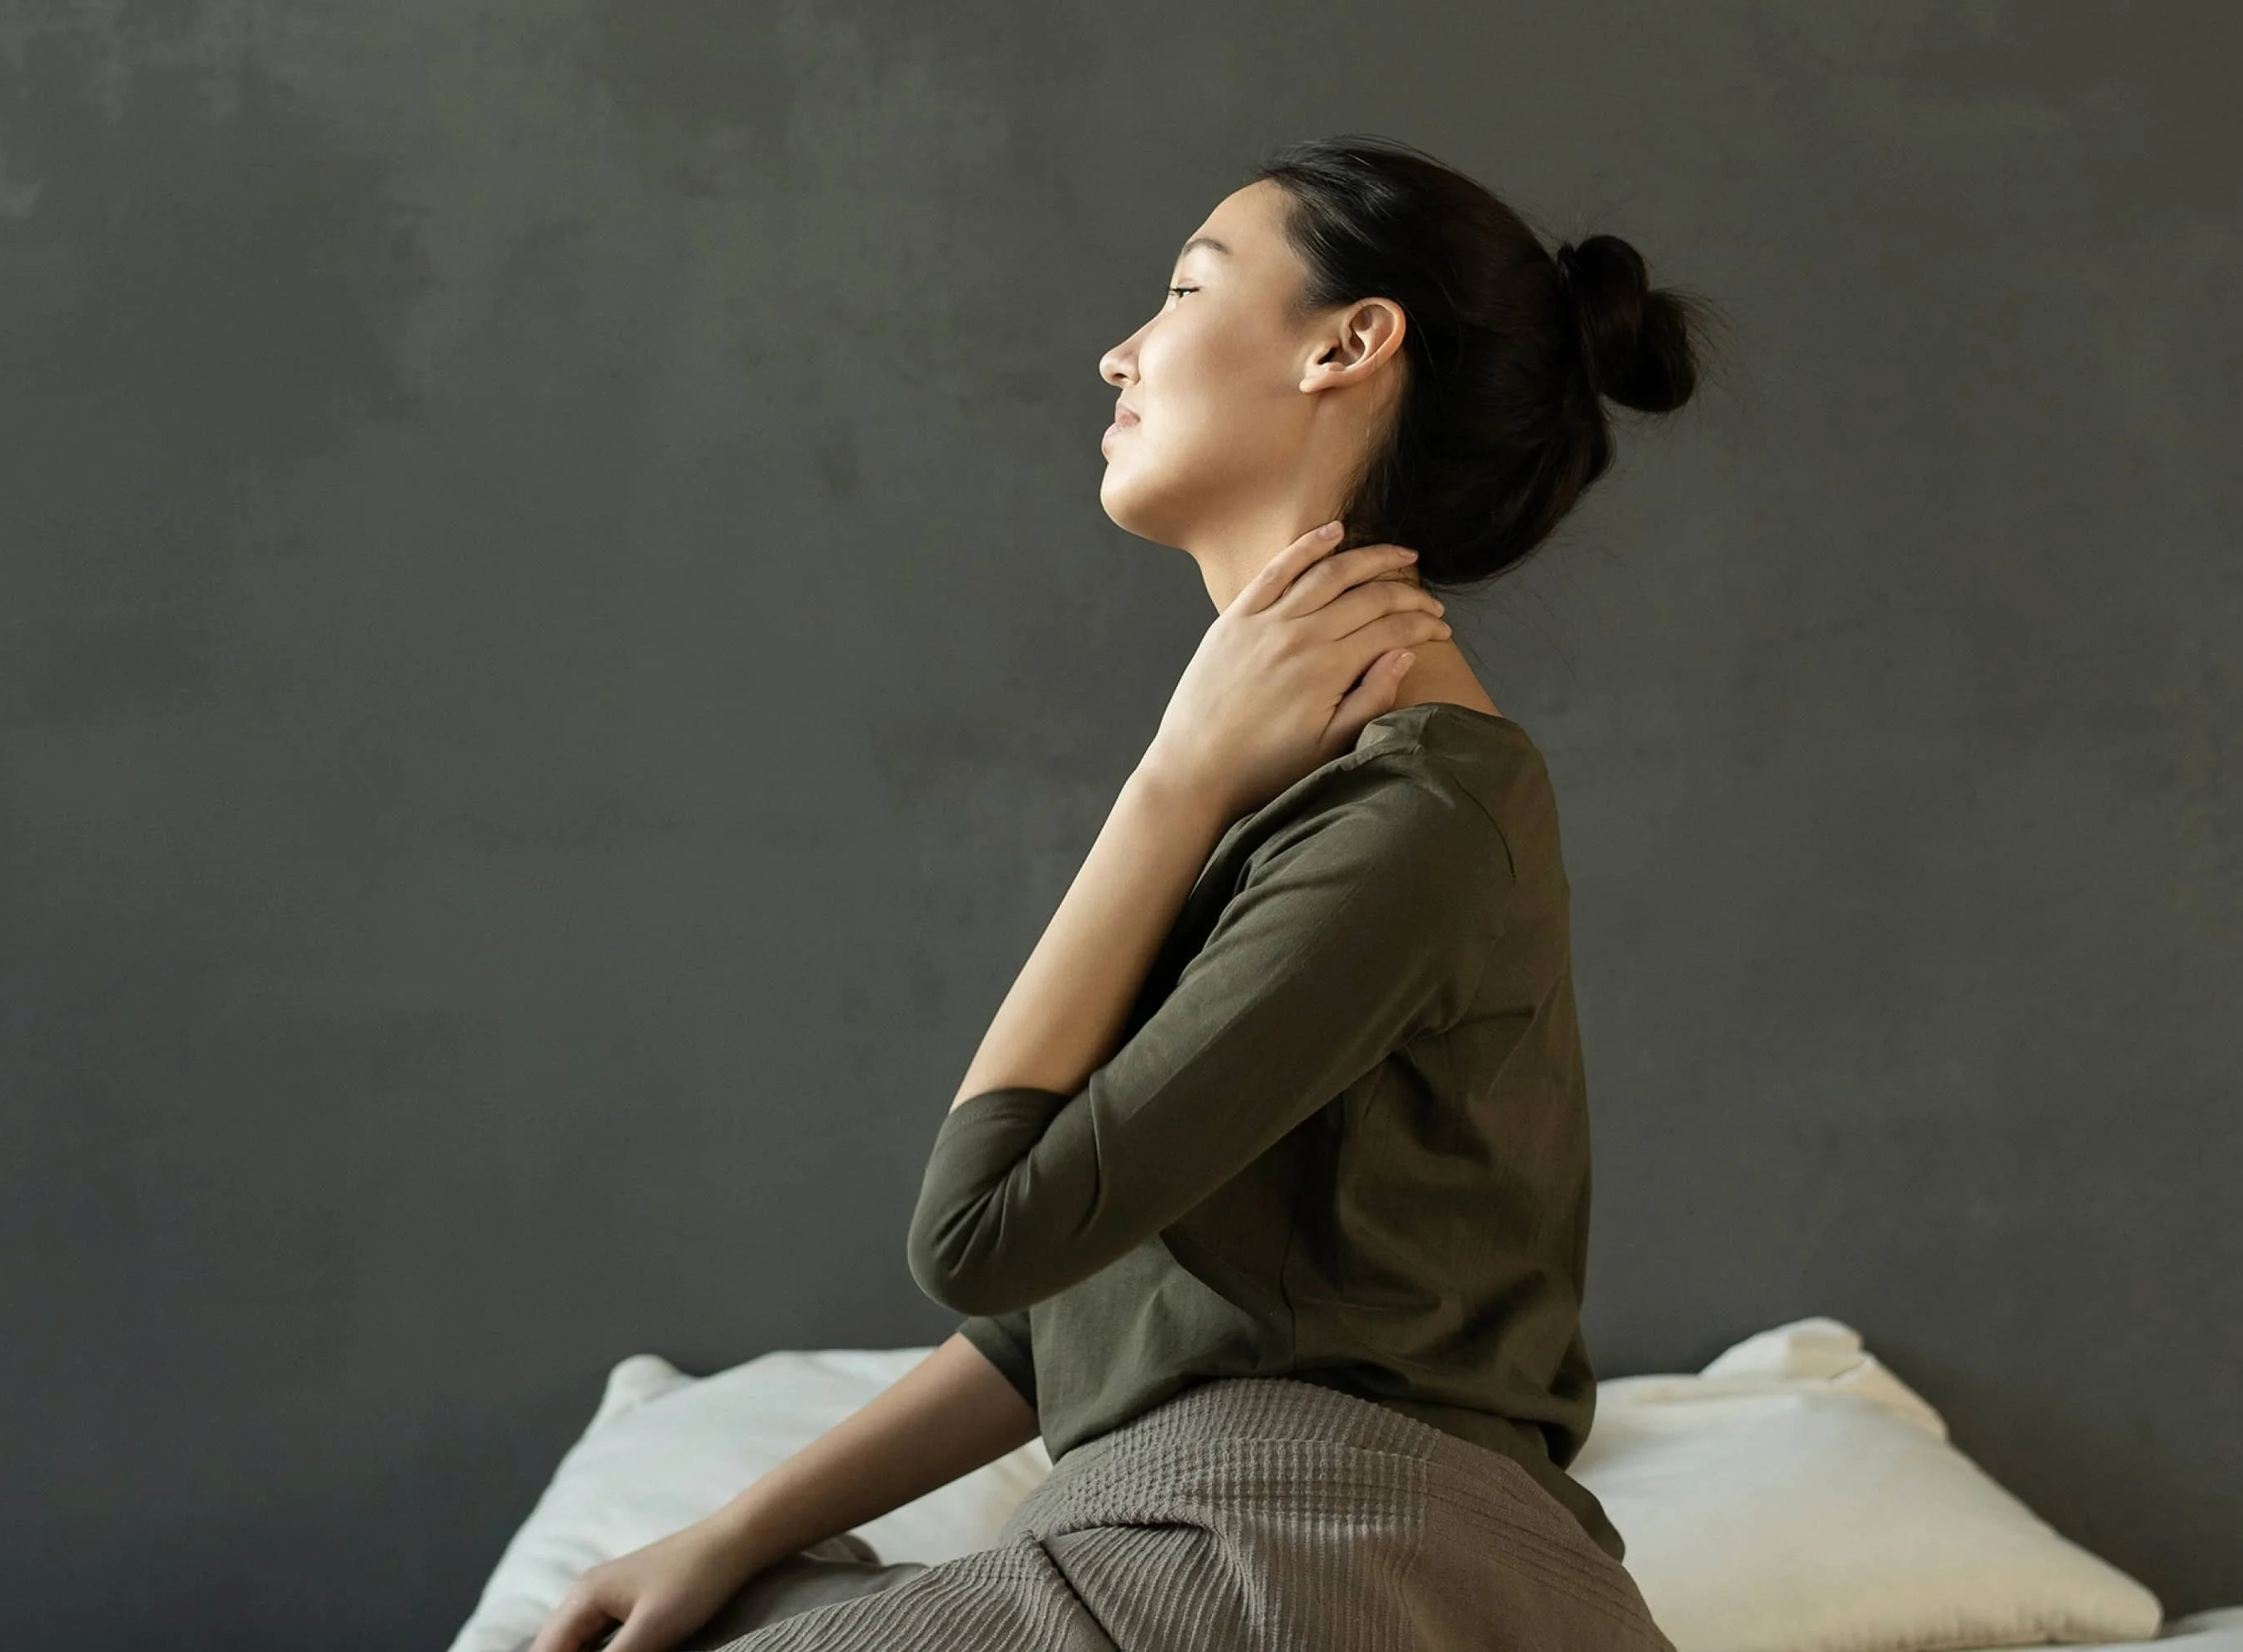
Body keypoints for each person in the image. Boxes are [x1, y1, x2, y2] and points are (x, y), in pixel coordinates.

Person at [529, 133, 1723, 1652]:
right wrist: (729, 1533)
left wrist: (1168, 783)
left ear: (1350, 346)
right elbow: (1062, 1301)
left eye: (1181, 289)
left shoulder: (1419, 807)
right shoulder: (1329, 793)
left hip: (1330, 1559)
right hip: (1229, 1547)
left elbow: (978, 1232)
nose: (1117, 353)